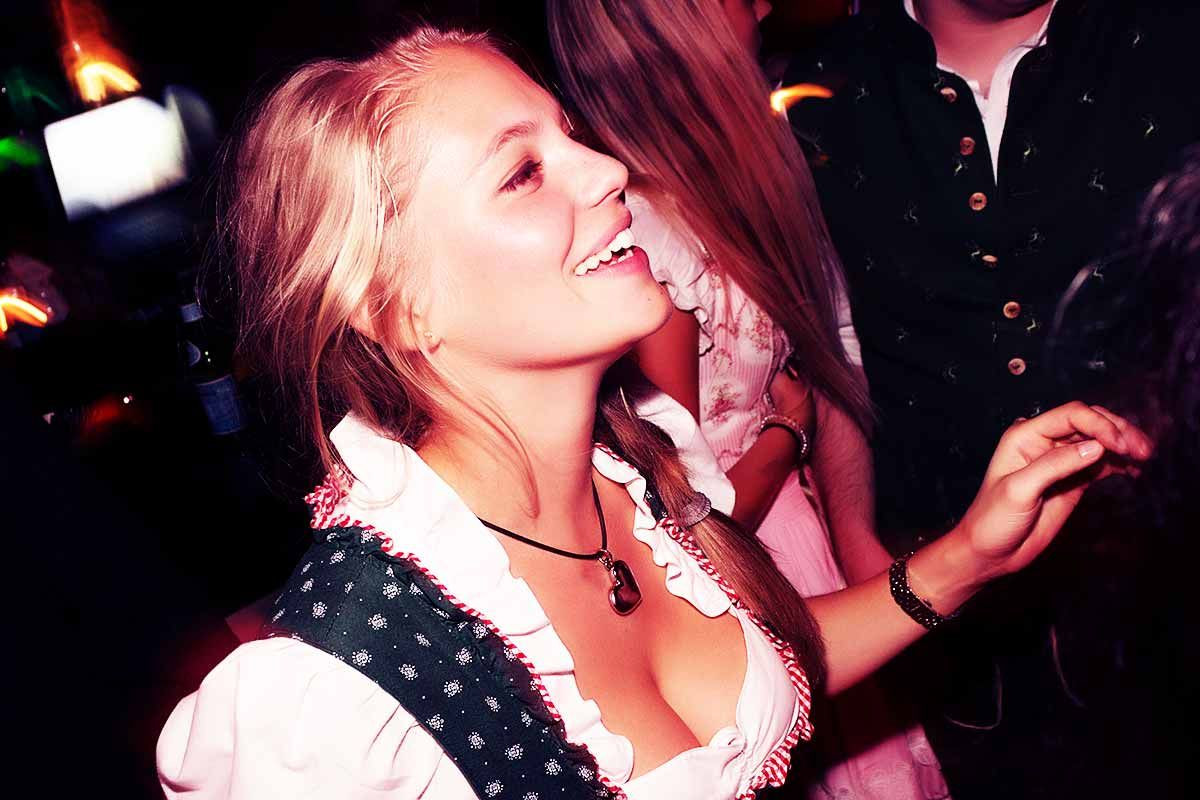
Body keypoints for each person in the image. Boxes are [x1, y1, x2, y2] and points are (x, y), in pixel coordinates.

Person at [155, 24, 1149, 800]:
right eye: (522, 172)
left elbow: (768, 668)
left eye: (569, 136)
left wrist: (969, 553)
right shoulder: (339, 698)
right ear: (399, 305)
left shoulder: (636, 461)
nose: (607, 171)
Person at [783, 2, 1200, 795]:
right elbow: (832, 347)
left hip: (1168, 580)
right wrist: (859, 544)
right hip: (948, 608)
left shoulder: (1174, 38)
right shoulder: (816, 91)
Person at [545, 2, 946, 797]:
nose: (763, 5)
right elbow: (678, 523)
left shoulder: (746, 178)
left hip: (803, 546)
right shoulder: (639, 236)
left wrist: (857, 540)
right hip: (744, 573)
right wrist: (785, 435)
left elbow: (832, 352)